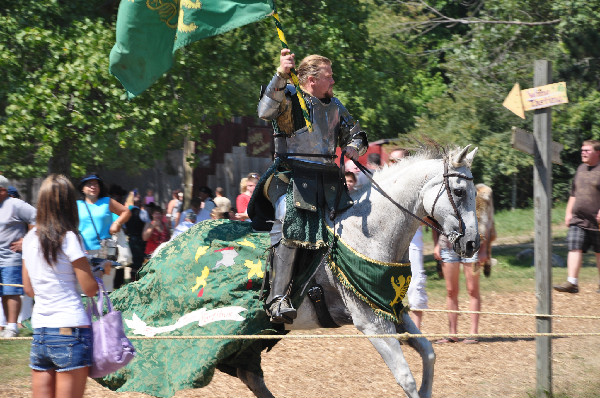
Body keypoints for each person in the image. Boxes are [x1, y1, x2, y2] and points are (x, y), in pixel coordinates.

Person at [254, 49, 368, 323]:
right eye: (329, 76)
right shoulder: (289, 97)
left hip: (327, 180)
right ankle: (277, 299)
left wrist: (353, 147)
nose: (333, 82)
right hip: (289, 175)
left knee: (348, 227)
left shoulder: (336, 105)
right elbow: (264, 111)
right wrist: (280, 74)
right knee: (288, 222)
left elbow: (357, 135)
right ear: (311, 79)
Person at [21, 174, 100, 398]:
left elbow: (28, 289)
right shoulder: (69, 238)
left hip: (41, 331)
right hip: (70, 329)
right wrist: (97, 272)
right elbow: (90, 289)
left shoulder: (29, 238)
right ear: (69, 204)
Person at [389, 148, 428, 330]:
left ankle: (415, 330)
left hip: (412, 236)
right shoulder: (384, 182)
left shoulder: (417, 186)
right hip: (389, 237)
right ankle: (391, 326)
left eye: (396, 161)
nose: (392, 165)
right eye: (391, 161)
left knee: (416, 280)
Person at [554, 139, 600, 293]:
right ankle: (572, 282)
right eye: (582, 150)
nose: (583, 152)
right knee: (574, 246)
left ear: (597, 152)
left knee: (599, 252)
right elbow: (573, 194)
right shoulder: (580, 168)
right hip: (579, 219)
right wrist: (568, 213)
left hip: (598, 221)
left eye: (587, 150)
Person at [76, 174, 130, 291]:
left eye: (96, 184)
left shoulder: (107, 201)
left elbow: (126, 212)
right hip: (83, 252)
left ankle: (106, 309)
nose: (93, 187)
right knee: (84, 288)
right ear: (82, 188)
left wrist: (117, 223)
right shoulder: (77, 205)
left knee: (105, 288)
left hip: (104, 252)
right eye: (89, 184)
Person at [0, 175, 36, 338]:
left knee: (11, 291)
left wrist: (27, 240)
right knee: (3, 292)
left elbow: (38, 219)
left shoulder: (15, 204)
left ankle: (13, 326)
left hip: (11, 257)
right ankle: (6, 325)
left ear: (3, 190)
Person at [433, 228, 480, 344]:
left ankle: (474, 332)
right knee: (450, 291)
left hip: (471, 244)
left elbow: (483, 220)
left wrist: (485, 249)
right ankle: (452, 333)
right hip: (447, 246)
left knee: (473, 289)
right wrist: (437, 245)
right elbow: (437, 221)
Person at [124, 191, 146, 282]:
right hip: (139, 240)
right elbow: (147, 224)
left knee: (133, 262)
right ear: (140, 203)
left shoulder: (128, 213)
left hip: (131, 239)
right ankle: (136, 280)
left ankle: (132, 279)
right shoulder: (143, 213)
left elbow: (124, 227)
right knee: (138, 262)